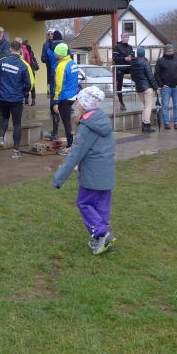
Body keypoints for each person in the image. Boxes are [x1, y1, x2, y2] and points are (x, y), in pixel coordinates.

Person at [51, 86, 117, 255]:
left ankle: (102, 233)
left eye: (79, 101)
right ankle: (102, 239)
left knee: (85, 203)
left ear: (84, 104)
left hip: (92, 176)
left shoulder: (87, 127)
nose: (77, 105)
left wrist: (59, 178)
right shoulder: (102, 119)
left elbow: (75, 154)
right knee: (101, 207)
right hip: (106, 174)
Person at [0, 40, 32, 159]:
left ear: (10, 49)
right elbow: (28, 84)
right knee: (17, 124)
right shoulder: (23, 65)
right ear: (20, 50)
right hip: (16, 99)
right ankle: (16, 151)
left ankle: (1, 138)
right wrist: (24, 92)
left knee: (4, 118)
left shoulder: (2, 61)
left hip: (2, 97)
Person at [50, 43, 79, 153]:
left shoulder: (61, 66)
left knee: (67, 122)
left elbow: (59, 86)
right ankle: (73, 143)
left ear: (59, 54)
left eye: (55, 53)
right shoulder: (72, 63)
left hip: (64, 97)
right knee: (69, 121)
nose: (54, 55)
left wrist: (56, 102)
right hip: (72, 95)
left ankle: (70, 146)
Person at [154, 43, 177, 130]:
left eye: (171, 51)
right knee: (165, 106)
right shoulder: (160, 61)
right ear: (165, 52)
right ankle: (166, 123)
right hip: (166, 87)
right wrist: (161, 84)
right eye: (168, 51)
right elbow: (156, 74)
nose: (170, 52)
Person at [131, 46, 159, 133]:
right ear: (144, 53)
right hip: (147, 88)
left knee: (145, 106)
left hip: (139, 88)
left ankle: (144, 125)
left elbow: (132, 77)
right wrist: (156, 88)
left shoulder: (133, 63)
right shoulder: (145, 62)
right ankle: (146, 125)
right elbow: (151, 76)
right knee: (148, 107)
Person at [42, 30, 63, 139]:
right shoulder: (65, 48)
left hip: (53, 77)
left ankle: (55, 132)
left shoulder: (49, 49)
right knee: (63, 106)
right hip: (64, 78)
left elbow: (44, 59)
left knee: (54, 104)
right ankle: (68, 135)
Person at [113, 33, 134, 111]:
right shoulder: (117, 47)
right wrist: (124, 58)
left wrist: (131, 58)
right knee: (119, 85)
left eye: (128, 37)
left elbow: (132, 56)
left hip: (129, 67)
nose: (127, 39)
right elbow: (114, 58)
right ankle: (121, 103)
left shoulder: (130, 47)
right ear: (122, 38)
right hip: (120, 67)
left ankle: (140, 88)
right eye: (125, 37)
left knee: (137, 72)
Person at [14, 37, 36, 106]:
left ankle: (29, 100)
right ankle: (28, 101)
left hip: (27, 70)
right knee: (29, 85)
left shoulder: (24, 50)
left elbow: (28, 62)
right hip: (26, 70)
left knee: (29, 85)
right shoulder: (23, 49)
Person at [23, 38, 40, 105]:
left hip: (27, 70)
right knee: (32, 85)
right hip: (31, 70)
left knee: (26, 85)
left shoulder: (24, 51)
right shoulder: (30, 50)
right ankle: (33, 100)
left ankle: (27, 100)